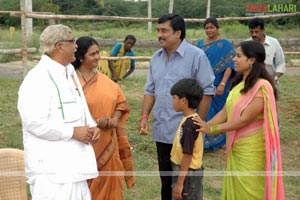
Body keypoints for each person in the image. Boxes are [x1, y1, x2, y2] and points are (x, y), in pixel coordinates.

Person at [193, 40, 285, 199]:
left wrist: (212, 129)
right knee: (236, 187)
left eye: (238, 56)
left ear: (251, 60)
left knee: (250, 190)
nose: (233, 59)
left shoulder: (262, 86)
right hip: (236, 148)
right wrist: (205, 125)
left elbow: (244, 120)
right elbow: (225, 112)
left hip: (252, 151)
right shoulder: (238, 84)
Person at [17, 24, 100, 199]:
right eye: (73, 41)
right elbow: (34, 123)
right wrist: (72, 132)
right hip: (52, 171)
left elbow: (79, 105)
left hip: (75, 165)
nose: (76, 46)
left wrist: (92, 125)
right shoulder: (37, 78)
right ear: (59, 46)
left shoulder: (68, 72)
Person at [139, 13, 215, 200]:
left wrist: (198, 123)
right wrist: (144, 116)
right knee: (166, 183)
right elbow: (150, 90)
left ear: (178, 33)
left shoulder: (196, 56)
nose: (159, 35)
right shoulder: (156, 58)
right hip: (163, 132)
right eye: (158, 30)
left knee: (186, 185)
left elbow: (207, 91)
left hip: (186, 134)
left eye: (164, 30)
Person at [72, 36, 135, 200]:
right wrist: (96, 123)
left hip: (107, 143)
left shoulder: (106, 82)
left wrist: (114, 119)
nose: (97, 57)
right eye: (92, 54)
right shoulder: (69, 82)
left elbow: (121, 103)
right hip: (79, 143)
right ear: (80, 57)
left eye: (98, 53)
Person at [197, 17, 235, 151]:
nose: (209, 30)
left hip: (219, 82)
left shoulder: (225, 44)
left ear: (217, 28)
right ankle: (204, 141)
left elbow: (229, 66)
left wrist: (223, 84)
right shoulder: (200, 43)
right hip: (202, 82)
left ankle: (217, 141)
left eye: (212, 27)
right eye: (206, 28)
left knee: (218, 111)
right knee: (203, 109)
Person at [170, 78, 204, 200]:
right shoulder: (188, 120)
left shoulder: (190, 124)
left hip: (188, 175)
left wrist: (180, 184)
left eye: (174, 98)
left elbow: (187, 155)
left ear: (183, 100)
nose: (172, 101)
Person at [248, 18, 286, 89]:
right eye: (251, 32)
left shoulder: (274, 43)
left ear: (263, 30)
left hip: (271, 83)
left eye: (256, 32)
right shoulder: (246, 45)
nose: (254, 34)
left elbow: (281, 64)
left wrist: (274, 79)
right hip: (251, 83)